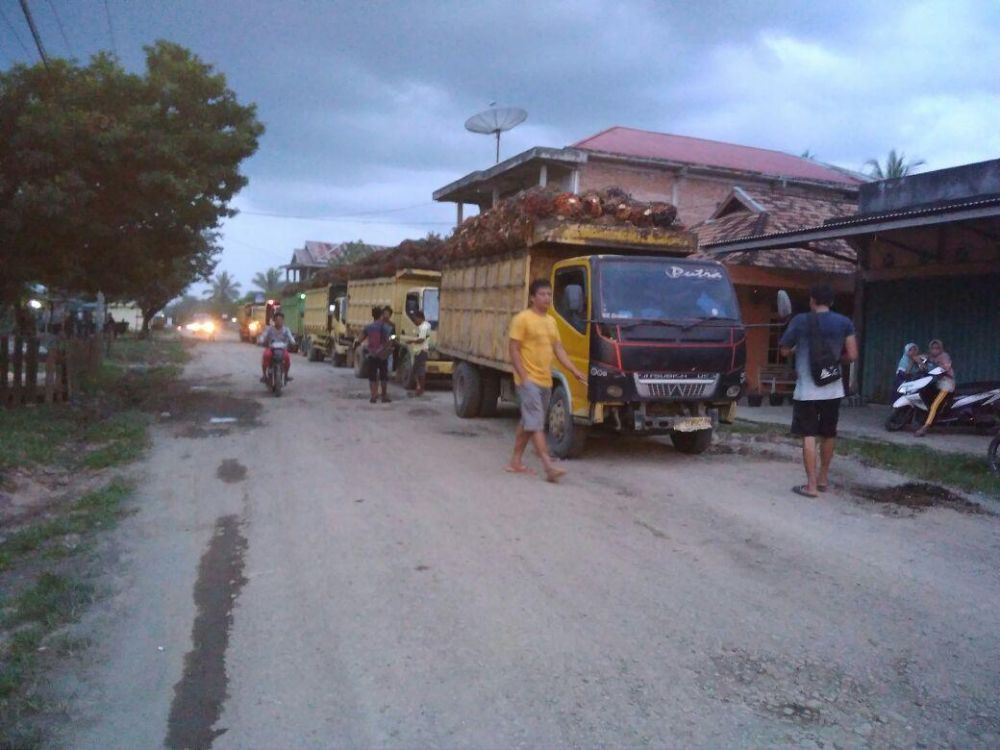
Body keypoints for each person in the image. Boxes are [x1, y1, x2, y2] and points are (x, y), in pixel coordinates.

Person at [779, 283, 858, 498]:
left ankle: (811, 486)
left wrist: (796, 349)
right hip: (833, 388)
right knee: (828, 433)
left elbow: (784, 350)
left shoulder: (800, 321)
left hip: (807, 389)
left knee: (809, 435)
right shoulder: (844, 322)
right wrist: (833, 362)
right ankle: (823, 479)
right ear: (831, 302)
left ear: (812, 300)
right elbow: (852, 355)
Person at [507, 279, 587, 483]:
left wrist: (574, 371)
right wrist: (523, 376)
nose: (546, 298)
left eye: (549, 294)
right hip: (528, 381)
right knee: (536, 423)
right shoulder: (522, 319)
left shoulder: (551, 321)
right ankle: (548, 466)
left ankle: (515, 462)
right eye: (542, 294)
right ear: (533, 297)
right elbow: (513, 349)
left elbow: (558, 349)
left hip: (546, 380)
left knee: (529, 422)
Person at [914, 338, 955, 437]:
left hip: (946, 383)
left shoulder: (945, 356)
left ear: (941, 348)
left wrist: (934, 365)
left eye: (937, 348)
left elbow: (945, 367)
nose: (934, 350)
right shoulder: (930, 356)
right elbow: (918, 358)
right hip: (936, 382)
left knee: (934, 405)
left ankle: (925, 427)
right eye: (932, 348)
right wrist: (920, 362)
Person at [356, 306, 393, 404]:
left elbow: (360, 339)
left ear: (372, 315)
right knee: (383, 376)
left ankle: (373, 396)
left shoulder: (369, 327)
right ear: (381, 315)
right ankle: (384, 396)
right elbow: (390, 340)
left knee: (372, 376)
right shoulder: (386, 327)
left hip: (372, 354)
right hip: (383, 354)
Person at [260, 311, 295, 383]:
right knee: (266, 356)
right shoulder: (269, 329)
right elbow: (263, 335)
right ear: (274, 320)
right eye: (277, 320)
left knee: (287, 358)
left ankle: (286, 375)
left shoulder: (286, 329)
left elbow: (290, 337)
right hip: (271, 348)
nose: (279, 322)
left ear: (283, 320)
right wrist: (261, 340)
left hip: (282, 349)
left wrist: (293, 342)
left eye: (280, 320)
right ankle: (264, 375)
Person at [404, 309, 431, 397]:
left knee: (417, 371)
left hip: (420, 351)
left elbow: (421, 339)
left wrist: (411, 341)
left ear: (420, 318)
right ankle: (419, 388)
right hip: (422, 351)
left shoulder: (423, 327)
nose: (415, 321)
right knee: (419, 370)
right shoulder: (427, 325)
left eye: (415, 319)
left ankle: (420, 388)